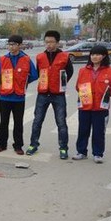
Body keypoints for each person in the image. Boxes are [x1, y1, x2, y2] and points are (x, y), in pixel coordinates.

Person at [26, 31, 74, 160]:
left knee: (61, 122)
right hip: (42, 94)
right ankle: (33, 144)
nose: (49, 44)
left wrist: (60, 84)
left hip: (58, 95)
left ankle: (63, 148)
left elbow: (69, 72)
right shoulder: (40, 57)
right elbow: (38, 71)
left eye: (52, 42)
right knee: (37, 121)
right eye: (47, 42)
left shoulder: (64, 56)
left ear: (57, 43)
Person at [72, 44, 111, 163]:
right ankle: (81, 152)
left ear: (103, 56)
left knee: (99, 132)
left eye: (98, 54)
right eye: (92, 54)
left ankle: (98, 153)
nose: (94, 57)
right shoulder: (83, 70)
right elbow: (78, 86)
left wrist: (104, 95)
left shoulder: (110, 71)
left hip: (101, 108)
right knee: (83, 130)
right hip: (85, 106)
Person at [0, 35, 39, 154]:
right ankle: (1, 144)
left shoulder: (26, 59)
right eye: (9, 44)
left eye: (13, 44)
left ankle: (18, 145)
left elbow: (34, 75)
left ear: (19, 45)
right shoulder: (3, 59)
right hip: (5, 96)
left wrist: (22, 82)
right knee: (3, 122)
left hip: (19, 97)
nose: (11, 47)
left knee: (18, 123)